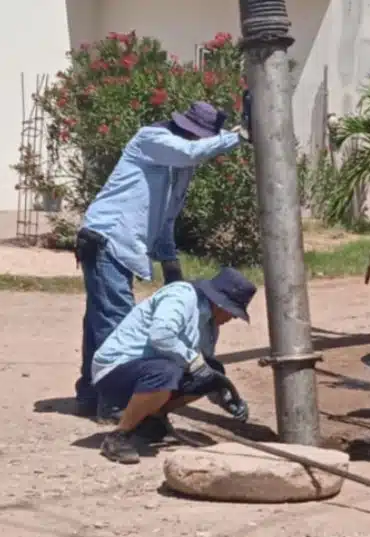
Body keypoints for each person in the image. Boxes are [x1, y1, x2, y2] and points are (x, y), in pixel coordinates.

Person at [74, 101, 244, 420]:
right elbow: (189, 152)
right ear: (187, 132)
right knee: (115, 320)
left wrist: (170, 265)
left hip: (119, 246)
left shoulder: (178, 167)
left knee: (100, 321)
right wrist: (239, 137)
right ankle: (116, 405)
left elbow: (166, 219)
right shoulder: (151, 139)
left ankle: (89, 393)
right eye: (198, 138)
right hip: (106, 238)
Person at [92, 267, 256, 464]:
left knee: (212, 371)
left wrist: (225, 397)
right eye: (233, 313)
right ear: (221, 304)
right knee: (167, 372)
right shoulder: (181, 296)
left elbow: (204, 371)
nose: (233, 318)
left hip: (149, 372)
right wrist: (193, 361)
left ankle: (150, 420)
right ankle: (119, 436)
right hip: (115, 370)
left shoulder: (210, 325)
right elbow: (161, 336)